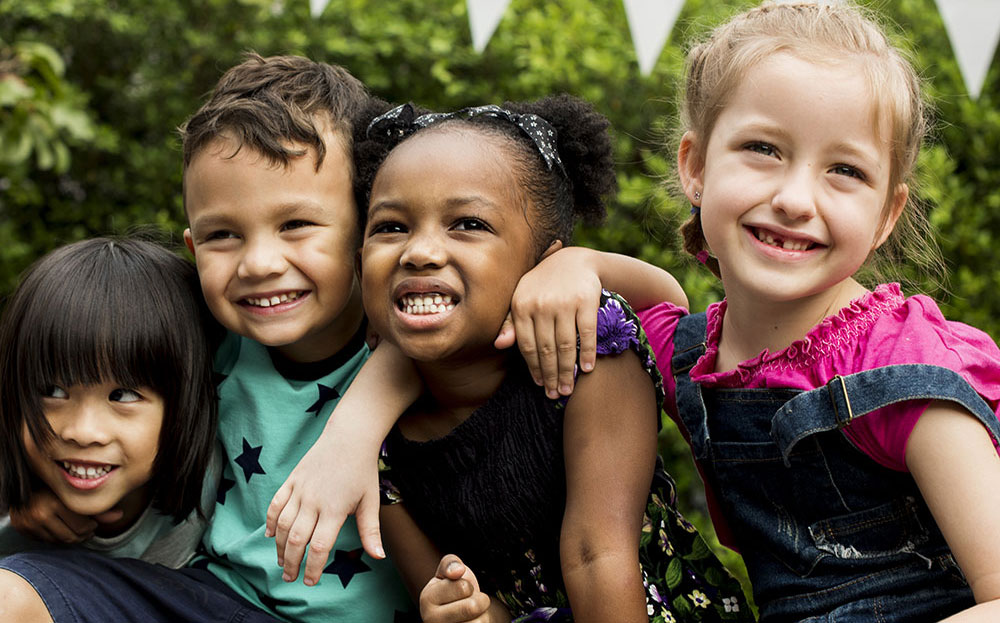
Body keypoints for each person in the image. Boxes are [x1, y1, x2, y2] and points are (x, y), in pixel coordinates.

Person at [507, 2, 1000, 621]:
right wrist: (574, 263)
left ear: (886, 215)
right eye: (763, 149)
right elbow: (660, 302)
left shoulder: (900, 371)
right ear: (696, 167)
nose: (795, 199)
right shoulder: (690, 358)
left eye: (844, 170)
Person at [0, 53, 414, 623]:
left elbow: (508, 284)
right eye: (224, 234)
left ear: (368, 228)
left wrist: (581, 270)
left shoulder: (415, 328)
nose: (259, 263)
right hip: (212, 601)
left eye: (295, 224)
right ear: (194, 251)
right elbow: (79, 381)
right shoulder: (203, 335)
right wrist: (39, 491)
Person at [351, 95, 752, 623]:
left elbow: (598, 554)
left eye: (468, 224)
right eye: (390, 226)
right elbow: (439, 587)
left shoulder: (589, 346)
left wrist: (582, 265)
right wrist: (466, 609)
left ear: (543, 264)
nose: (419, 251)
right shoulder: (377, 440)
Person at [0, 236, 219, 568]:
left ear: (187, 402)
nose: (84, 432)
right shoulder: (17, 530)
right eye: (54, 392)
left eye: (123, 395)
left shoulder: (233, 476)